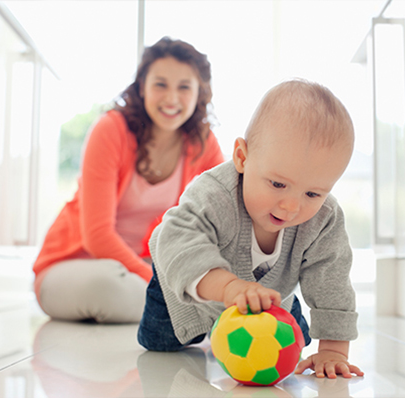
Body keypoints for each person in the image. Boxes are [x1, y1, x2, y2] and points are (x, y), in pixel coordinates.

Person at [138, 79, 364, 379]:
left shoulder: (324, 218)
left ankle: (274, 311)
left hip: (265, 296)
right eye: (278, 184)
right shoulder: (213, 194)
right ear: (242, 157)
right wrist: (228, 288)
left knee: (298, 340)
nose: (290, 207)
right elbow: (179, 239)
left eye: (312, 194)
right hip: (180, 288)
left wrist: (334, 350)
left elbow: (331, 278)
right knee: (160, 344)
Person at [32, 37, 224, 323]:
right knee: (108, 285)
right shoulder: (111, 130)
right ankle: (180, 311)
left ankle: (178, 311)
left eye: (184, 87)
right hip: (76, 266)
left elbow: (225, 220)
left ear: (200, 93)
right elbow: (97, 237)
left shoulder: (203, 144)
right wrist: (164, 285)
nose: (171, 98)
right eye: (160, 84)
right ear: (143, 86)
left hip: (140, 267)